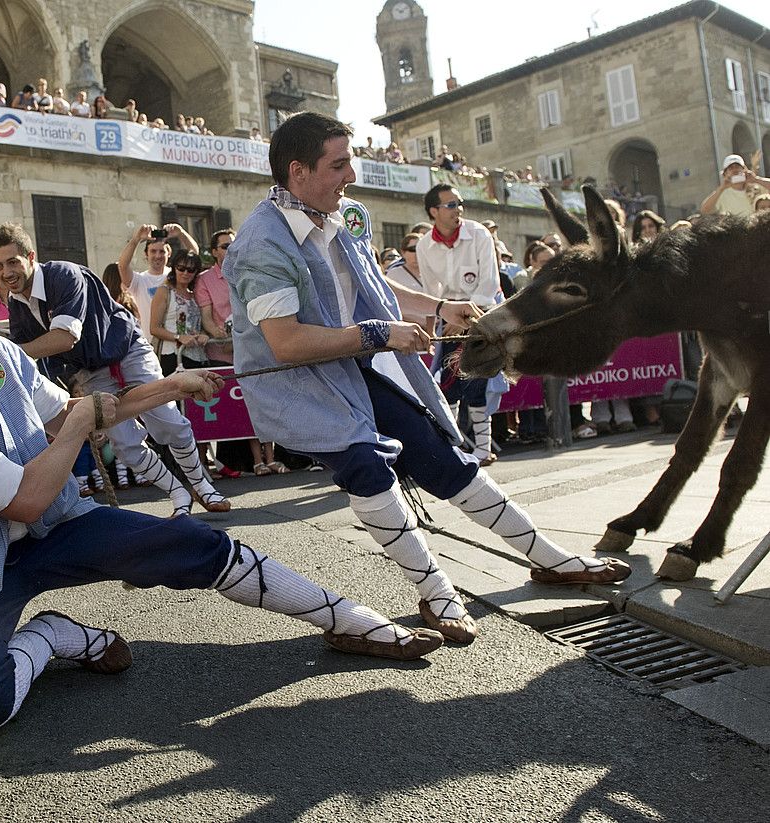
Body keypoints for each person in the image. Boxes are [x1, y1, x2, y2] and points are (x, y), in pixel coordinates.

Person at [0, 263, 447, 729]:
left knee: (189, 543)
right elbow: (24, 495)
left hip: (56, 529)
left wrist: (167, 388)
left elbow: (79, 411)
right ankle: (53, 636)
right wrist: (76, 426)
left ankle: (351, 620)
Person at [223, 111, 630, 645]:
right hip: (295, 380)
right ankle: (437, 592)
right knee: (366, 466)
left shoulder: (344, 213)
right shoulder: (260, 244)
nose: (351, 175)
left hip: (351, 365)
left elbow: (380, 293)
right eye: (339, 164)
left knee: (439, 456)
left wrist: (439, 307)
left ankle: (552, 559)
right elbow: (287, 343)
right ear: (297, 173)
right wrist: (378, 334)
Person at [0, 223, 230, 517]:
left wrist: (6, 351)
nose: (6, 272)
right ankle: (178, 493)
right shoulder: (15, 304)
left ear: (30, 256)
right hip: (91, 370)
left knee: (166, 419)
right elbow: (32, 359)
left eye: (12, 262)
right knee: (126, 444)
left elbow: (65, 337)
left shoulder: (63, 275)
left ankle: (201, 485)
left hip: (127, 348)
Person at [414, 183, 502, 466]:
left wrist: (465, 320)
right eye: (451, 205)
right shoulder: (425, 244)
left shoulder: (478, 234)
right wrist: (434, 326)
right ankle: (453, 445)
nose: (458, 210)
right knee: (449, 385)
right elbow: (430, 291)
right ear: (434, 211)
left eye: (460, 203)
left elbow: (489, 284)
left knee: (477, 382)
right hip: (449, 318)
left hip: (481, 316)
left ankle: (483, 449)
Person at [196, 229, 283, 477]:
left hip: (251, 350)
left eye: (233, 245)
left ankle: (266, 460)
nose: (230, 250)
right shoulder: (204, 279)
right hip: (221, 353)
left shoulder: (248, 271)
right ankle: (233, 465)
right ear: (214, 252)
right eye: (224, 246)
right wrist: (224, 337)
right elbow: (206, 318)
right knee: (229, 415)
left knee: (257, 404)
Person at [117, 222, 199, 342]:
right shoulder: (139, 280)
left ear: (169, 253)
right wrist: (136, 239)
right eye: (153, 251)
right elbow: (123, 266)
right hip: (150, 343)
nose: (158, 256)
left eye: (162, 252)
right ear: (146, 254)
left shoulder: (177, 274)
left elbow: (194, 255)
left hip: (180, 342)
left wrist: (181, 234)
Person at [148, 248, 209, 375]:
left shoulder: (195, 295)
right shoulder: (164, 291)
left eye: (191, 270)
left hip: (197, 356)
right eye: (181, 268)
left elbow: (197, 324)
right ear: (174, 268)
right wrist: (179, 337)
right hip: (172, 356)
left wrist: (203, 334)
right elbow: (154, 328)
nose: (185, 273)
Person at [699, 154, 769, 216]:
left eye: (738, 166)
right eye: (731, 168)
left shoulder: (756, 187)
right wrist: (721, 189)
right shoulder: (722, 194)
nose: (735, 169)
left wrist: (757, 180)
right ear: (725, 174)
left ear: (744, 170)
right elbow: (704, 210)